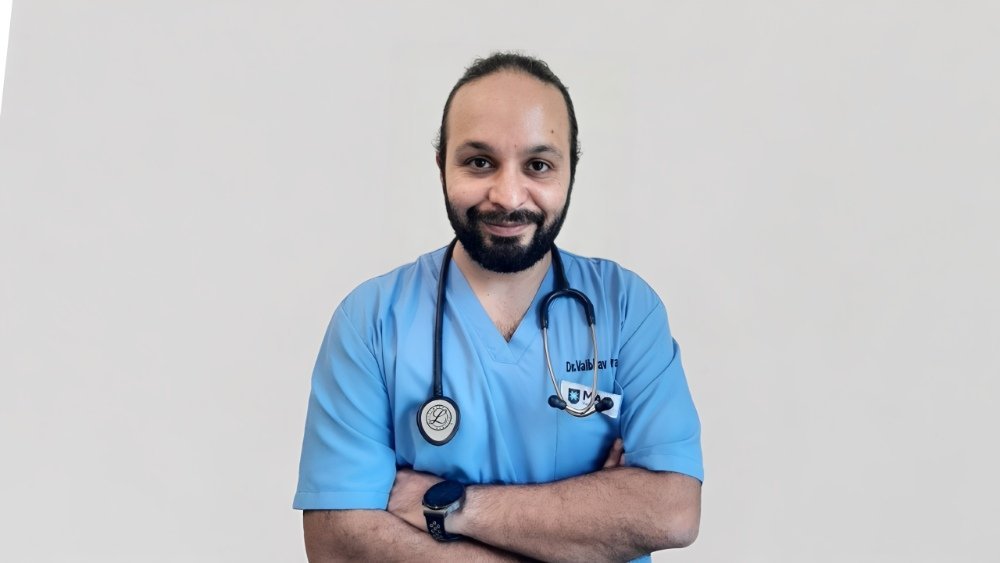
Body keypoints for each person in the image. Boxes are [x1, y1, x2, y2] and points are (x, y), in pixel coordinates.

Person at [294, 52, 703, 562]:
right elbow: (336, 542)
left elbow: (672, 511)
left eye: (538, 165)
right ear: (441, 165)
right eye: (479, 162)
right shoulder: (371, 321)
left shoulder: (625, 308)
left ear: (571, 170)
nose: (508, 196)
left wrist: (446, 506)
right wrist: (588, 527)